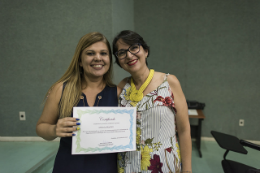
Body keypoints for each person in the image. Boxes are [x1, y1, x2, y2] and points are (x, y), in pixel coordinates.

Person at [36, 32, 121, 173]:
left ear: (109, 60)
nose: (98, 58)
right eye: (90, 53)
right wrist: (54, 129)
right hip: (68, 167)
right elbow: (41, 127)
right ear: (80, 61)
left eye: (103, 53)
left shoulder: (118, 93)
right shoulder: (61, 89)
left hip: (107, 168)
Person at [113, 30, 192, 173]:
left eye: (134, 47)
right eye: (122, 52)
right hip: (128, 166)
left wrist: (187, 170)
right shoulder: (121, 88)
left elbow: (184, 129)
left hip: (163, 164)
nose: (129, 55)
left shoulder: (169, 82)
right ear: (119, 60)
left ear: (146, 51)